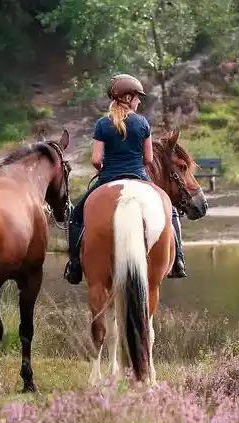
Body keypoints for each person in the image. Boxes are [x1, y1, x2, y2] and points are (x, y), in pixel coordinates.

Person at [63, 74, 187, 285]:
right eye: (137, 97)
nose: (139, 101)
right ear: (128, 98)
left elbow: (95, 159)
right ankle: (178, 262)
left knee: (76, 216)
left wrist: (103, 168)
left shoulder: (102, 124)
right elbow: (148, 159)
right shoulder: (142, 123)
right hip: (139, 176)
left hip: (108, 177)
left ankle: (74, 266)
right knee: (171, 212)